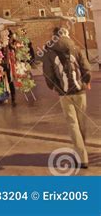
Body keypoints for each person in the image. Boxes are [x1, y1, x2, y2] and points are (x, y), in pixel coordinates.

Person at [43, 27, 91, 169]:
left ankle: (81, 156)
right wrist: (86, 81)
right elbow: (86, 67)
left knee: (72, 124)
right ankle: (82, 151)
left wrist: (54, 87)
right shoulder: (75, 47)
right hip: (79, 90)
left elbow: (48, 73)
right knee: (81, 122)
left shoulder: (49, 51)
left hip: (64, 93)